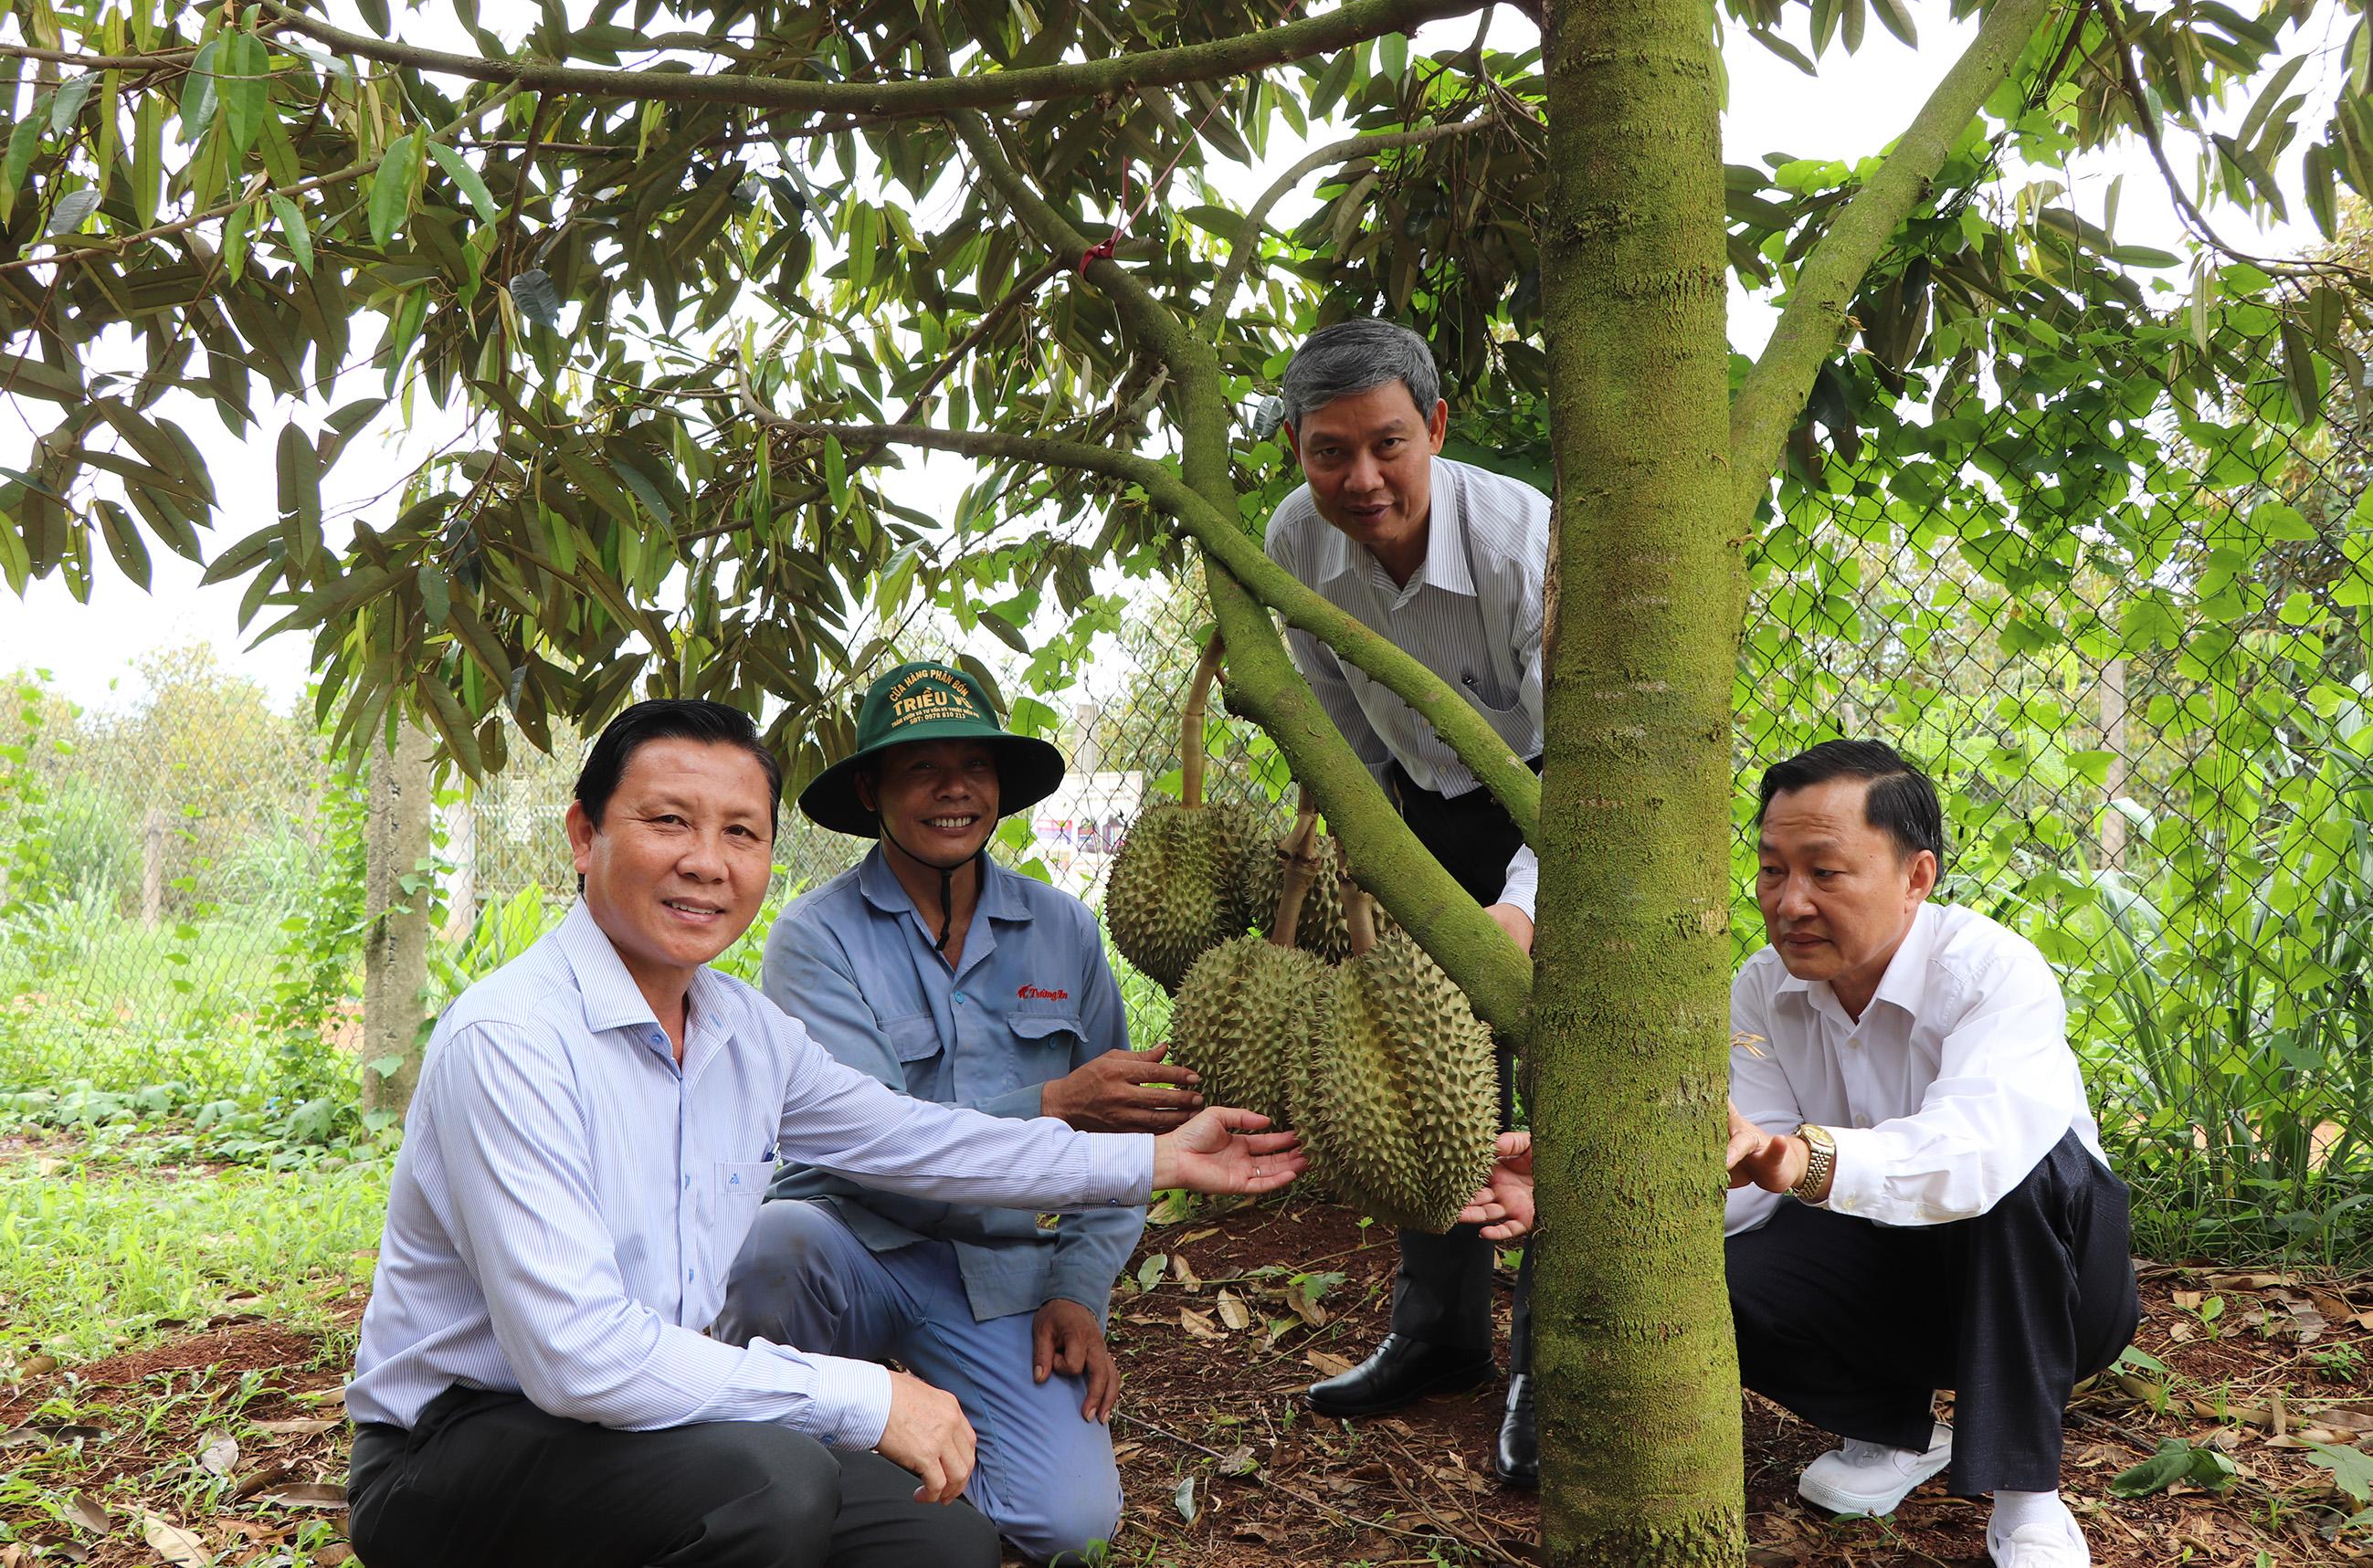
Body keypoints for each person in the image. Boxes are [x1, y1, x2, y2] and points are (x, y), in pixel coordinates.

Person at [342, 699, 1303, 1568]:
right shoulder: (513, 1038)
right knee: (775, 1487)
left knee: (942, 1541)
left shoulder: (739, 1030)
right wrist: (869, 1397)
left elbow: (927, 1140)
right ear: (585, 835)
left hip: (639, 1421)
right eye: (669, 821)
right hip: (461, 1443)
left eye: (740, 832)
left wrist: (1160, 1157)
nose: (706, 861)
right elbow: (581, 1356)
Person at [1452, 740, 2139, 1568]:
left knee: (2017, 1177)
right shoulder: (1762, 990)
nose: (1790, 902)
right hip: (1900, 1285)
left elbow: (1977, 1152)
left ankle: (2029, 1501)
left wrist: (1802, 1160)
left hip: (2057, 1292)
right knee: (1706, 1280)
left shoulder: (1992, 972)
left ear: (1917, 876)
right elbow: (1741, 1180)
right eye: (1773, 870)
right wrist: (1579, 1191)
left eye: (1826, 872)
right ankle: (1894, 1431)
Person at [718, 661, 1200, 1564]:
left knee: (1069, 1524)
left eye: (973, 765)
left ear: (1000, 788)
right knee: (774, 1240)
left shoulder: (1065, 929)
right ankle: (771, 1464)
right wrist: (1053, 1101)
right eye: (919, 768)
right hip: (853, 1247)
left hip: (998, 1274)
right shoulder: (814, 938)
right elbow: (875, 1144)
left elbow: (1125, 1136)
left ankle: (906, 1464)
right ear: (871, 789)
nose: (953, 789)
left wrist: (1075, 1289)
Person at [1263, 316, 1545, 1484]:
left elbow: (1584, 771)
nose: (1361, 479)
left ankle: (1548, 1363)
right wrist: (1368, 846)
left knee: (1558, 1075)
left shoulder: (1528, 549)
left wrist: (1522, 911)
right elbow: (1328, 704)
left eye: (1387, 444)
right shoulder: (1294, 539)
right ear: (1296, 450)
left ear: (1433, 426)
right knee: (1424, 1062)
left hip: (1547, 808)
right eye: (1331, 453)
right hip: (1411, 808)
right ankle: (1436, 1335)